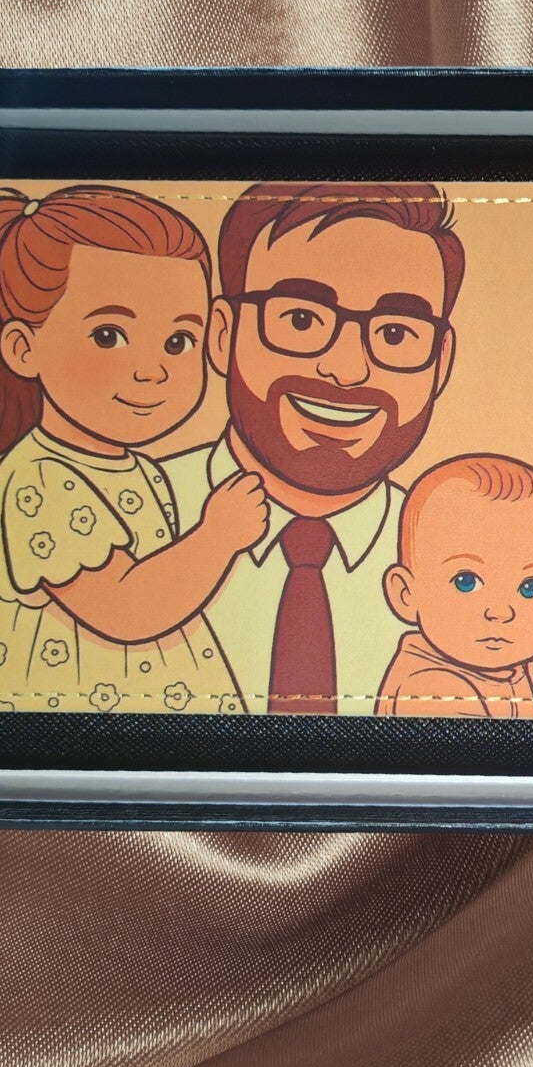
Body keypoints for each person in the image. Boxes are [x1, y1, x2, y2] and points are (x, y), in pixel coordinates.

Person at [0, 187, 267, 713]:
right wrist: (217, 538)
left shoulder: (139, 469)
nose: (152, 371)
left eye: (178, 342)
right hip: (36, 712)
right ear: (24, 348)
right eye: (109, 336)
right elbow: (126, 609)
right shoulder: (41, 482)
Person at [162, 180, 464, 715]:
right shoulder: (130, 512)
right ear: (223, 335)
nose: (347, 370)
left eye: (395, 335)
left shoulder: (467, 563)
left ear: (440, 363)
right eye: (301, 320)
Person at [375, 455, 533, 720]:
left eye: (530, 587)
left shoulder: (514, 670)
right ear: (406, 594)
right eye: (466, 582)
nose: (501, 612)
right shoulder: (433, 685)